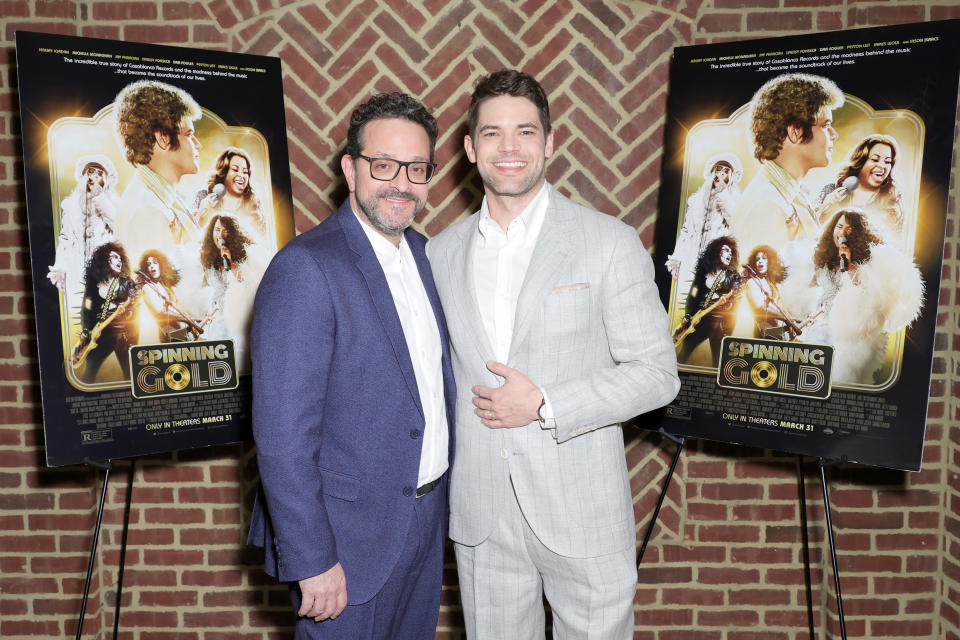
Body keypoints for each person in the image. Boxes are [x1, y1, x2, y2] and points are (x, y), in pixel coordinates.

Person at [427, 70, 679, 640]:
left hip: (582, 511)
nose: (509, 148)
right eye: (492, 134)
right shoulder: (440, 254)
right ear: (469, 149)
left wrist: (545, 402)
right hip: (482, 516)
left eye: (525, 132)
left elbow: (657, 376)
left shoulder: (608, 242)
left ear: (550, 142)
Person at [247, 93, 455, 640]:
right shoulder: (307, 267)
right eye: (383, 165)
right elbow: (282, 435)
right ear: (350, 168)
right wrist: (312, 558)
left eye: (417, 169)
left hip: (425, 520)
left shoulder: (427, 257)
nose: (401, 183)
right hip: (346, 540)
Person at [800, 208, 922, 384]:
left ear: (860, 233)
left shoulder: (869, 263)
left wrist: (847, 264)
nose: (842, 232)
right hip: (819, 327)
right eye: (839, 226)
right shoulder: (824, 258)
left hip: (849, 334)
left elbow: (867, 298)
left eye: (849, 229)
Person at [734, 73, 844, 252]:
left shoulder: (787, 194)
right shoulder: (769, 207)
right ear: (795, 132)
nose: (834, 134)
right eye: (825, 126)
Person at [113, 80, 204, 257]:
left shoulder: (158, 196)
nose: (197, 144)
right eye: (189, 135)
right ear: (163, 138)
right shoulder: (148, 212)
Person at [48, 155, 121, 306]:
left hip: (103, 268)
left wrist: (99, 198)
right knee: (79, 313)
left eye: (100, 174)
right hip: (77, 266)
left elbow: (118, 225)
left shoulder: (111, 202)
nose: (94, 176)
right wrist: (60, 271)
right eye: (91, 171)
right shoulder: (70, 205)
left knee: (105, 309)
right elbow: (65, 239)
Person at [665, 152, 742, 293]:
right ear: (711, 173)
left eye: (726, 171)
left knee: (707, 301)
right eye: (718, 169)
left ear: (731, 177)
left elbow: (735, 222)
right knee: (686, 302)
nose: (721, 174)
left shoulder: (734, 200)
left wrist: (722, 193)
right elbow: (686, 231)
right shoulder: (696, 200)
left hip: (714, 261)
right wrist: (676, 260)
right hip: (691, 256)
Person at [74, 242, 139, 383]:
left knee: (130, 375)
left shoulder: (127, 283)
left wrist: (126, 313)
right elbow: (86, 309)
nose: (119, 260)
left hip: (121, 336)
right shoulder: (93, 285)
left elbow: (135, 309)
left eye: (120, 258)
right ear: (104, 261)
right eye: (115, 257)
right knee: (89, 373)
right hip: (100, 335)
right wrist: (85, 330)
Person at [816, 134, 904, 233]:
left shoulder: (892, 201)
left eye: (888, 162)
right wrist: (825, 207)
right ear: (860, 162)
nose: (882, 165)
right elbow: (809, 231)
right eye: (875, 159)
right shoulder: (831, 191)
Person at [675, 235, 742, 365]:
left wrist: (728, 302)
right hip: (699, 319)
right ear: (716, 251)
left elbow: (736, 299)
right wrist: (688, 316)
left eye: (731, 251)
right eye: (726, 250)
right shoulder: (703, 273)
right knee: (683, 352)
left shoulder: (733, 276)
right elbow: (692, 296)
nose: (730, 253)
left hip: (718, 322)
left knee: (718, 360)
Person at [192, 146, 268, 234]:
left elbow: (263, 239)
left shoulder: (253, 202)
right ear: (223, 173)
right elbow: (190, 235)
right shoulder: (204, 196)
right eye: (235, 170)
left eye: (245, 172)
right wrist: (200, 215)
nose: (241, 175)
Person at [136, 250, 205, 343]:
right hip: (170, 337)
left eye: (155, 262)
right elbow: (161, 312)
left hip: (180, 333)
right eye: (148, 264)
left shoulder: (163, 286)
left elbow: (177, 308)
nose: (152, 265)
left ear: (161, 265)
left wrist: (193, 320)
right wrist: (187, 320)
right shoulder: (147, 287)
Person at [741, 244, 796, 340]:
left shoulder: (770, 283)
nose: (760, 261)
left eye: (764, 258)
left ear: (770, 261)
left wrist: (790, 320)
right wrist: (785, 318)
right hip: (763, 334)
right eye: (757, 259)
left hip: (777, 333)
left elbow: (779, 307)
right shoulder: (752, 282)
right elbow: (760, 308)